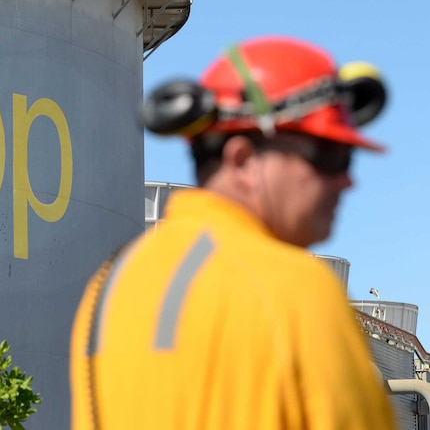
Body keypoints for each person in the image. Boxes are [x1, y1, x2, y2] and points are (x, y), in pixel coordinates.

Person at [69, 36, 396, 429]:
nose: (346, 180)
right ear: (241, 160)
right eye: (328, 156)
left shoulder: (108, 288)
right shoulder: (296, 289)